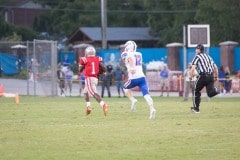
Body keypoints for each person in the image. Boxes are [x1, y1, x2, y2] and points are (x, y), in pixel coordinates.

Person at [121, 40, 156, 119]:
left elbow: (130, 58)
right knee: (146, 94)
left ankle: (133, 100)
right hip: (142, 78)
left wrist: (132, 67)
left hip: (133, 78)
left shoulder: (126, 54)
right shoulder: (139, 54)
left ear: (128, 47)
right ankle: (152, 108)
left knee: (125, 87)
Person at [190, 44, 220, 113]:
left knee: (196, 90)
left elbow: (192, 69)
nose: (195, 50)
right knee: (210, 93)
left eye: (196, 49)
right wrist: (216, 77)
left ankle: (196, 109)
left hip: (203, 76)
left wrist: (190, 77)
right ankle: (217, 90)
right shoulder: (209, 57)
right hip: (210, 76)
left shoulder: (197, 57)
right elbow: (215, 68)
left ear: (199, 50)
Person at [78, 46, 108, 116]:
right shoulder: (98, 58)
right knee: (86, 92)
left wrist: (84, 65)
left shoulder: (84, 59)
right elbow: (102, 66)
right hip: (95, 79)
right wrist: (104, 72)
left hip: (89, 78)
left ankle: (103, 104)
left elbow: (80, 70)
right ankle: (88, 106)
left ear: (86, 53)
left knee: (93, 93)